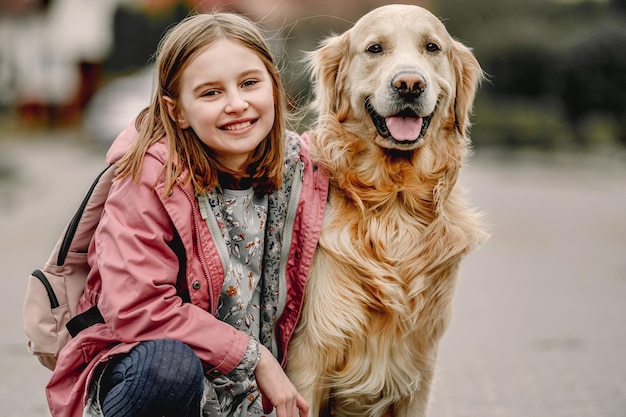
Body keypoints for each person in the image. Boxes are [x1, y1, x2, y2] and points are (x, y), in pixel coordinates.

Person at [45, 12, 328, 417]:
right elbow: (138, 309)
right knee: (169, 368)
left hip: (251, 393)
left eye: (250, 83)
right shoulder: (149, 177)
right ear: (176, 111)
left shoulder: (305, 167)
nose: (236, 104)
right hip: (151, 370)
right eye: (211, 93)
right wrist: (256, 357)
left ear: (274, 86)